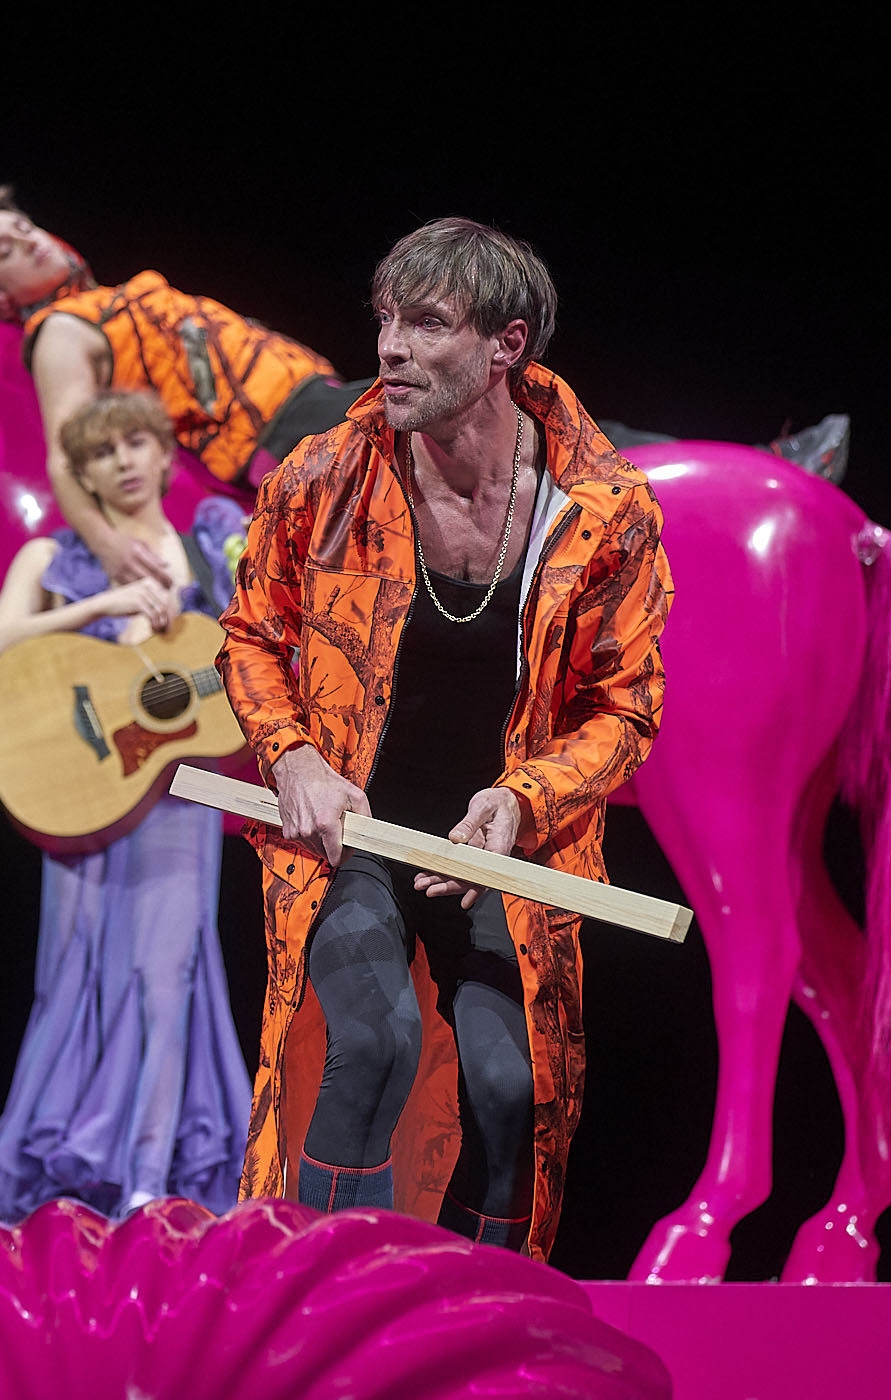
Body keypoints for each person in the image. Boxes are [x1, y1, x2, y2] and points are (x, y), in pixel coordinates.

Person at [216, 218, 672, 1261]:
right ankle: (322, 1297)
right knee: (370, 1042)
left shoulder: (604, 510)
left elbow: (626, 704)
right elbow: (250, 635)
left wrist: (521, 798)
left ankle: (480, 1318)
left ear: (507, 345)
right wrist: (293, 756)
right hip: (352, 826)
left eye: (427, 324)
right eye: (386, 319)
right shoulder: (325, 473)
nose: (391, 347)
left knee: (511, 1093)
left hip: (503, 840)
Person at [0, 389, 252, 1220]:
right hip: (83, 793)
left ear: (165, 456)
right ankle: (65, 1181)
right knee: (75, 980)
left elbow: (260, 647)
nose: (122, 461)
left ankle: (147, 1182)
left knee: (168, 979)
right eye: (101, 452)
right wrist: (103, 606)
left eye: (136, 443)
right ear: (80, 475)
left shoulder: (210, 547)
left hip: (177, 798)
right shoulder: (51, 558)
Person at [0, 186, 367, 588]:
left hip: (315, 404)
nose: (31, 241)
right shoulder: (61, 331)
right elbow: (68, 454)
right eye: (6, 250)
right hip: (285, 434)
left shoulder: (96, 304)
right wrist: (108, 545)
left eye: (25, 227)